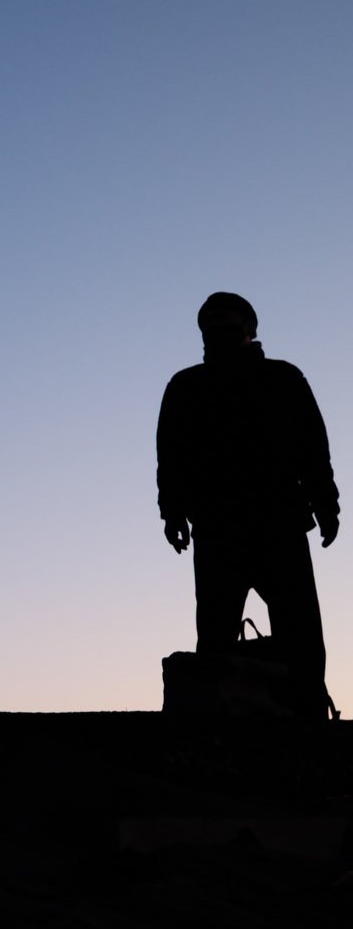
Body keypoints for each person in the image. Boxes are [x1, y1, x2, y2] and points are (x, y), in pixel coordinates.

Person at [157, 292, 338, 718]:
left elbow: (313, 449)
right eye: (209, 326)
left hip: (279, 525)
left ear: (250, 330)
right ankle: (214, 731)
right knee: (218, 639)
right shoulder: (187, 387)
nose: (215, 333)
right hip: (220, 529)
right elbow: (172, 456)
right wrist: (173, 511)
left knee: (301, 637)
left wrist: (326, 504)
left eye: (226, 324)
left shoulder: (283, 379)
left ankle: (309, 718)